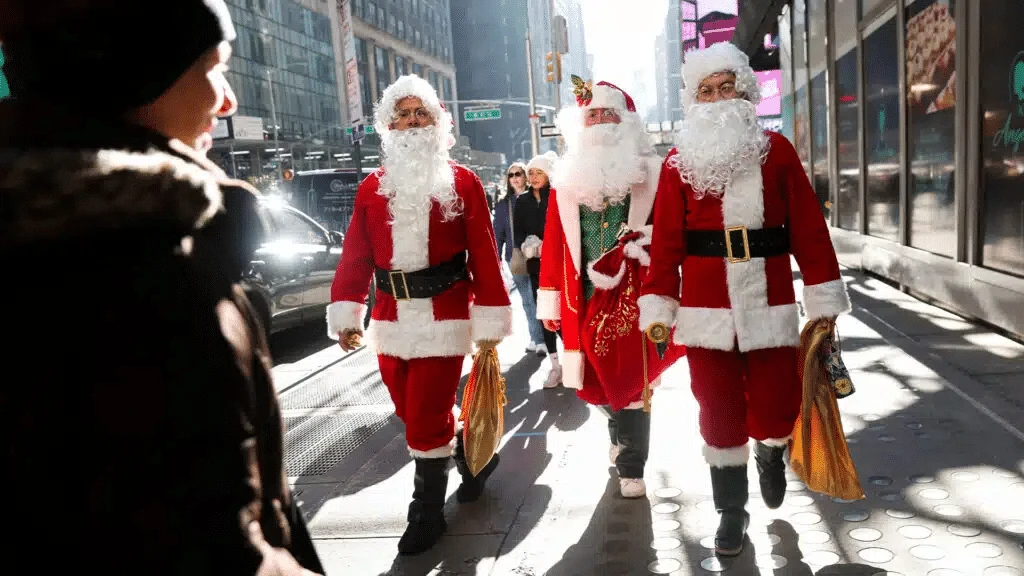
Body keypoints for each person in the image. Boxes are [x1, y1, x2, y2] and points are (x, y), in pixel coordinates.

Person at [0, 1, 324, 574]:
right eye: (213, 69)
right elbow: (211, 549)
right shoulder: (145, 278)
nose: (227, 100)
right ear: (135, 78)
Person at [639, 42, 851, 556]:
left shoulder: (776, 151)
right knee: (717, 410)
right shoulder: (677, 163)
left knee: (777, 405)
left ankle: (772, 451)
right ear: (693, 101)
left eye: (724, 87)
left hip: (770, 303)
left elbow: (809, 229)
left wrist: (821, 295)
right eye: (704, 91)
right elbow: (665, 242)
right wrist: (659, 303)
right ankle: (730, 512)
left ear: (745, 91)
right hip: (705, 311)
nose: (715, 99)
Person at [326, 75, 512, 555]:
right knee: (410, 412)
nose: (412, 122)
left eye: (420, 113)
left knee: (427, 412)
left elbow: (485, 255)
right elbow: (355, 254)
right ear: (389, 126)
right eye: (402, 115)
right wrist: (349, 312)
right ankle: (474, 456)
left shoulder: (463, 182)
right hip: (390, 317)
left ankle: (426, 515)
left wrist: (490, 319)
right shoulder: (371, 187)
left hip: (445, 316)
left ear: (436, 121)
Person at [535, 80, 664, 498]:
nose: (601, 122)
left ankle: (632, 465)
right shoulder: (566, 179)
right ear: (581, 125)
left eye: (609, 114)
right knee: (596, 384)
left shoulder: (653, 174)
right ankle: (618, 430)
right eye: (592, 115)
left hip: (634, 296)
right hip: (582, 298)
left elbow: (668, 235)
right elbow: (554, 242)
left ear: (626, 122)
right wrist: (549, 299)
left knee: (634, 380)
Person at [516, 151, 562, 386]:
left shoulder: (558, 196)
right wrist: (528, 245)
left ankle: (577, 360)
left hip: (560, 264)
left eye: (539, 172)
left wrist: (550, 246)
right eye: (531, 172)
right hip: (536, 265)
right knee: (544, 313)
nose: (533, 177)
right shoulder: (522, 201)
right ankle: (555, 366)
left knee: (563, 315)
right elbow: (519, 233)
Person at [494, 162, 548, 355]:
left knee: (539, 298)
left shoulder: (536, 197)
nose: (515, 178)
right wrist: (496, 260)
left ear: (525, 176)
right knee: (527, 300)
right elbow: (497, 234)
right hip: (516, 257)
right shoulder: (503, 205)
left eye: (519, 173)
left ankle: (542, 338)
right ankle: (538, 338)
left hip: (538, 255)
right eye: (511, 175)